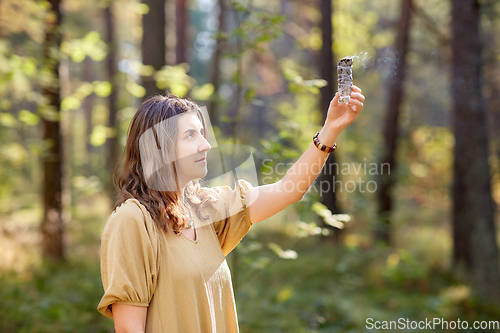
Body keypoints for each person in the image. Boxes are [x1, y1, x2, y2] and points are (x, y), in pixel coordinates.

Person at [97, 87, 365, 332]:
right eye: (191, 135)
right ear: (160, 148)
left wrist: (330, 128)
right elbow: (130, 329)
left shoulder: (204, 209)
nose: (205, 144)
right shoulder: (133, 220)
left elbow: (289, 189)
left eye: (202, 133)